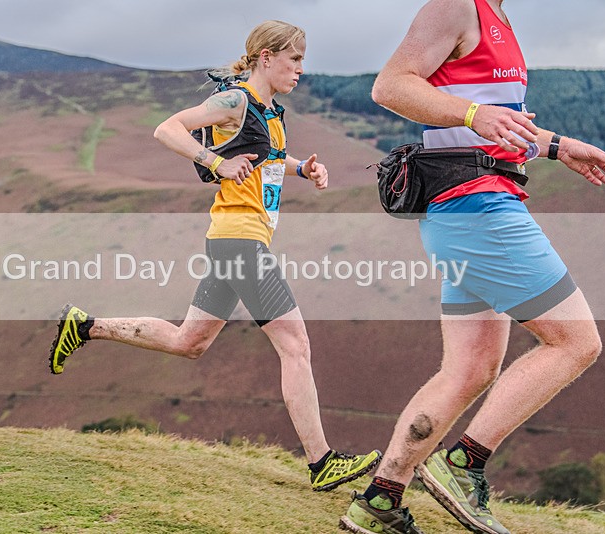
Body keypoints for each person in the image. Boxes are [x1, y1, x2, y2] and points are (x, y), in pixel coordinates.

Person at [48, 20, 380, 492]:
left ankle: (86, 326)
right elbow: (168, 129)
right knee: (296, 346)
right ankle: (321, 461)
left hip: (237, 242)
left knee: (190, 343)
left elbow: (264, 159)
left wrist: (302, 168)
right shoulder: (236, 100)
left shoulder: (269, 112)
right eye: (295, 59)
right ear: (267, 56)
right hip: (239, 242)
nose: (302, 69)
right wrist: (215, 162)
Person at [339, 1, 605, 533]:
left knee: (469, 370)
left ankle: (379, 500)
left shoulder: (500, 19)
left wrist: (560, 147)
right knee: (576, 342)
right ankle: (463, 464)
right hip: (478, 208)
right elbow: (390, 86)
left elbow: (497, 125)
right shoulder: (453, 5)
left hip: (471, 208)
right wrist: (473, 114)